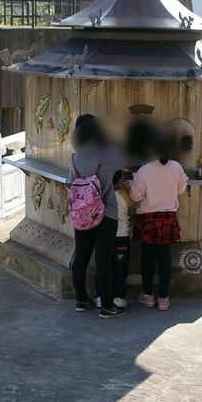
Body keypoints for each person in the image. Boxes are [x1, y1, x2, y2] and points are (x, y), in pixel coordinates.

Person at [69, 114, 125, 318]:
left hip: (81, 214)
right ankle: (108, 306)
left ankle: (81, 300)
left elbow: (70, 182)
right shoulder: (107, 156)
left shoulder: (74, 158)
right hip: (106, 213)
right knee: (103, 262)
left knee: (81, 258)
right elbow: (125, 163)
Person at [130, 144, 188, 311]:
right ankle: (163, 298)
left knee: (147, 260)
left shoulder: (144, 170)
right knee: (165, 260)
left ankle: (148, 296)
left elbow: (136, 196)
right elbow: (182, 188)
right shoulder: (176, 166)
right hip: (168, 218)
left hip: (148, 219)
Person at [97, 171, 132, 310]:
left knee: (103, 266)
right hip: (122, 237)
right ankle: (118, 297)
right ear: (118, 182)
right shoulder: (124, 196)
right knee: (120, 268)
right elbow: (133, 205)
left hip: (104, 236)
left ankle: (100, 296)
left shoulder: (100, 195)